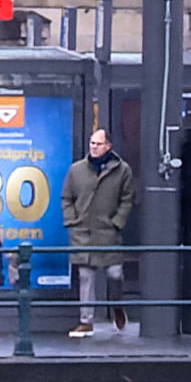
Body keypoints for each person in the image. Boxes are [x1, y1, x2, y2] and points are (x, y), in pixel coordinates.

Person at [66, 118, 136, 340]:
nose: (93, 147)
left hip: (108, 232)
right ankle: (85, 322)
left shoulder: (122, 170)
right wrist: (72, 221)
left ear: (108, 146)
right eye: (91, 143)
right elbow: (66, 198)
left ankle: (117, 307)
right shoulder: (76, 170)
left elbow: (127, 198)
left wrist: (117, 222)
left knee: (115, 274)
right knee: (86, 278)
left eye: (98, 143)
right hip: (83, 233)